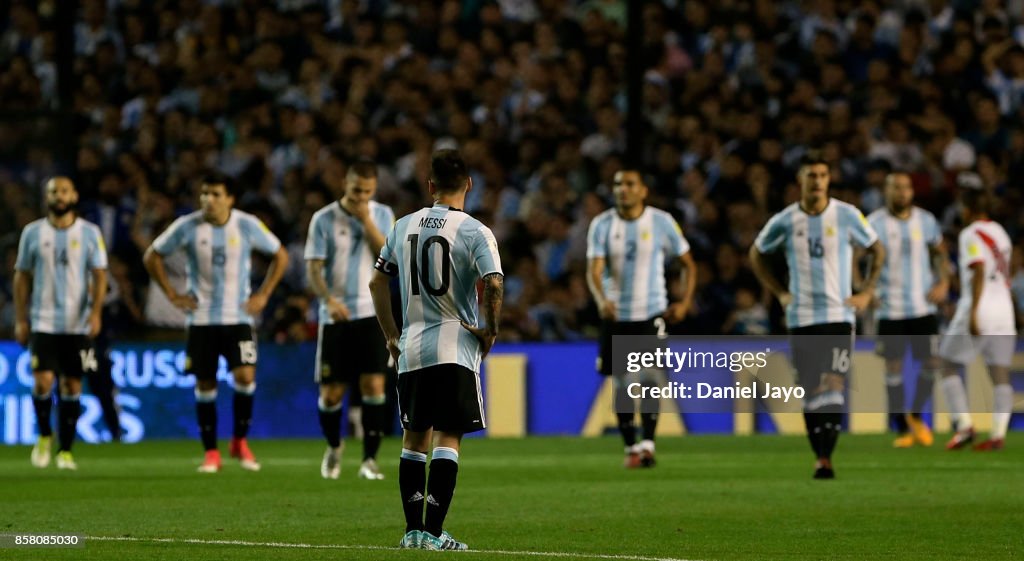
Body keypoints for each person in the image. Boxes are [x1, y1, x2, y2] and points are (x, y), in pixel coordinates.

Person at [368, 149, 502, 551]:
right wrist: (489, 330)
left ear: (429, 186)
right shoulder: (476, 231)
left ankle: (412, 532)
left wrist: (391, 335)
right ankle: (434, 532)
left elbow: (377, 284)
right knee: (448, 437)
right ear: (469, 185)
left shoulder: (402, 226)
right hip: (454, 345)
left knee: (413, 440)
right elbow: (493, 283)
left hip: (411, 347)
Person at [749, 150, 884, 479]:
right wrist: (780, 292)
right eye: (812, 176)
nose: (818, 182)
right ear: (801, 180)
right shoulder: (785, 220)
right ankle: (819, 452)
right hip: (802, 316)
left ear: (829, 179)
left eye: (823, 176)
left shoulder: (847, 215)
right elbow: (757, 253)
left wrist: (866, 291)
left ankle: (826, 457)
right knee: (810, 391)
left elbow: (876, 248)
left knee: (834, 382)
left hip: (839, 315)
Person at [143, 173, 288, 472]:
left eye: (215, 194)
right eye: (205, 193)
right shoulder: (187, 226)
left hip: (239, 318)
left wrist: (263, 295)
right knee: (205, 383)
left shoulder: (247, 224)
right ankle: (211, 452)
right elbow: (152, 256)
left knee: (245, 377)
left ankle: (239, 441)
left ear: (230, 199)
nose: (208, 199)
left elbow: (280, 255)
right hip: (202, 319)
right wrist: (172, 294)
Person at [585, 168, 695, 468]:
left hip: (650, 313)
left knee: (648, 380)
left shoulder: (661, 222)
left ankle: (647, 444)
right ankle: (631, 446)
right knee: (621, 384)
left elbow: (687, 263)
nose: (623, 189)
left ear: (643, 190)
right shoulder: (602, 224)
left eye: (630, 184)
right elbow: (594, 268)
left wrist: (684, 301)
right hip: (616, 314)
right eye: (618, 184)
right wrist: (600, 299)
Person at [305, 159, 395, 480]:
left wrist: (367, 220)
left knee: (374, 385)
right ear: (345, 183)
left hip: (371, 314)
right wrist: (327, 300)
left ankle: (369, 461)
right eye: (357, 190)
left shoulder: (382, 214)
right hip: (335, 316)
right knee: (332, 393)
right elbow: (314, 267)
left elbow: (388, 258)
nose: (361, 197)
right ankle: (334, 446)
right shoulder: (323, 219)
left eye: (368, 192)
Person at [14, 177, 108, 470]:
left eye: (64, 190)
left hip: (77, 324)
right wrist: (20, 318)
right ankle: (44, 435)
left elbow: (100, 274)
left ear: (74, 195)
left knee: (71, 384)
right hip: (43, 321)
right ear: (47, 197)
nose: (59, 196)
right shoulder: (32, 232)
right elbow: (22, 276)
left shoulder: (90, 233)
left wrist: (95, 313)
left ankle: (65, 450)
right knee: (43, 381)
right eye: (54, 191)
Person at [867, 172, 948, 448]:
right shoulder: (874, 222)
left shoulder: (925, 221)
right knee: (893, 366)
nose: (902, 192)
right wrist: (864, 289)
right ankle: (901, 426)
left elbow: (940, 252)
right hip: (890, 307)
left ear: (912, 192)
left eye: (906, 187)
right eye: (896, 188)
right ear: (886, 191)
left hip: (922, 305)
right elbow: (854, 258)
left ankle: (914, 415)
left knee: (932, 363)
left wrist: (944, 282)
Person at [938, 178, 1016, 451]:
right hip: (1004, 308)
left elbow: (979, 269)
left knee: (945, 364)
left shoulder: (970, 233)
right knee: (1000, 374)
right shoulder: (1001, 232)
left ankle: (964, 426)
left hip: (980, 306)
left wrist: (973, 313)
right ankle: (997, 435)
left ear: (968, 208)